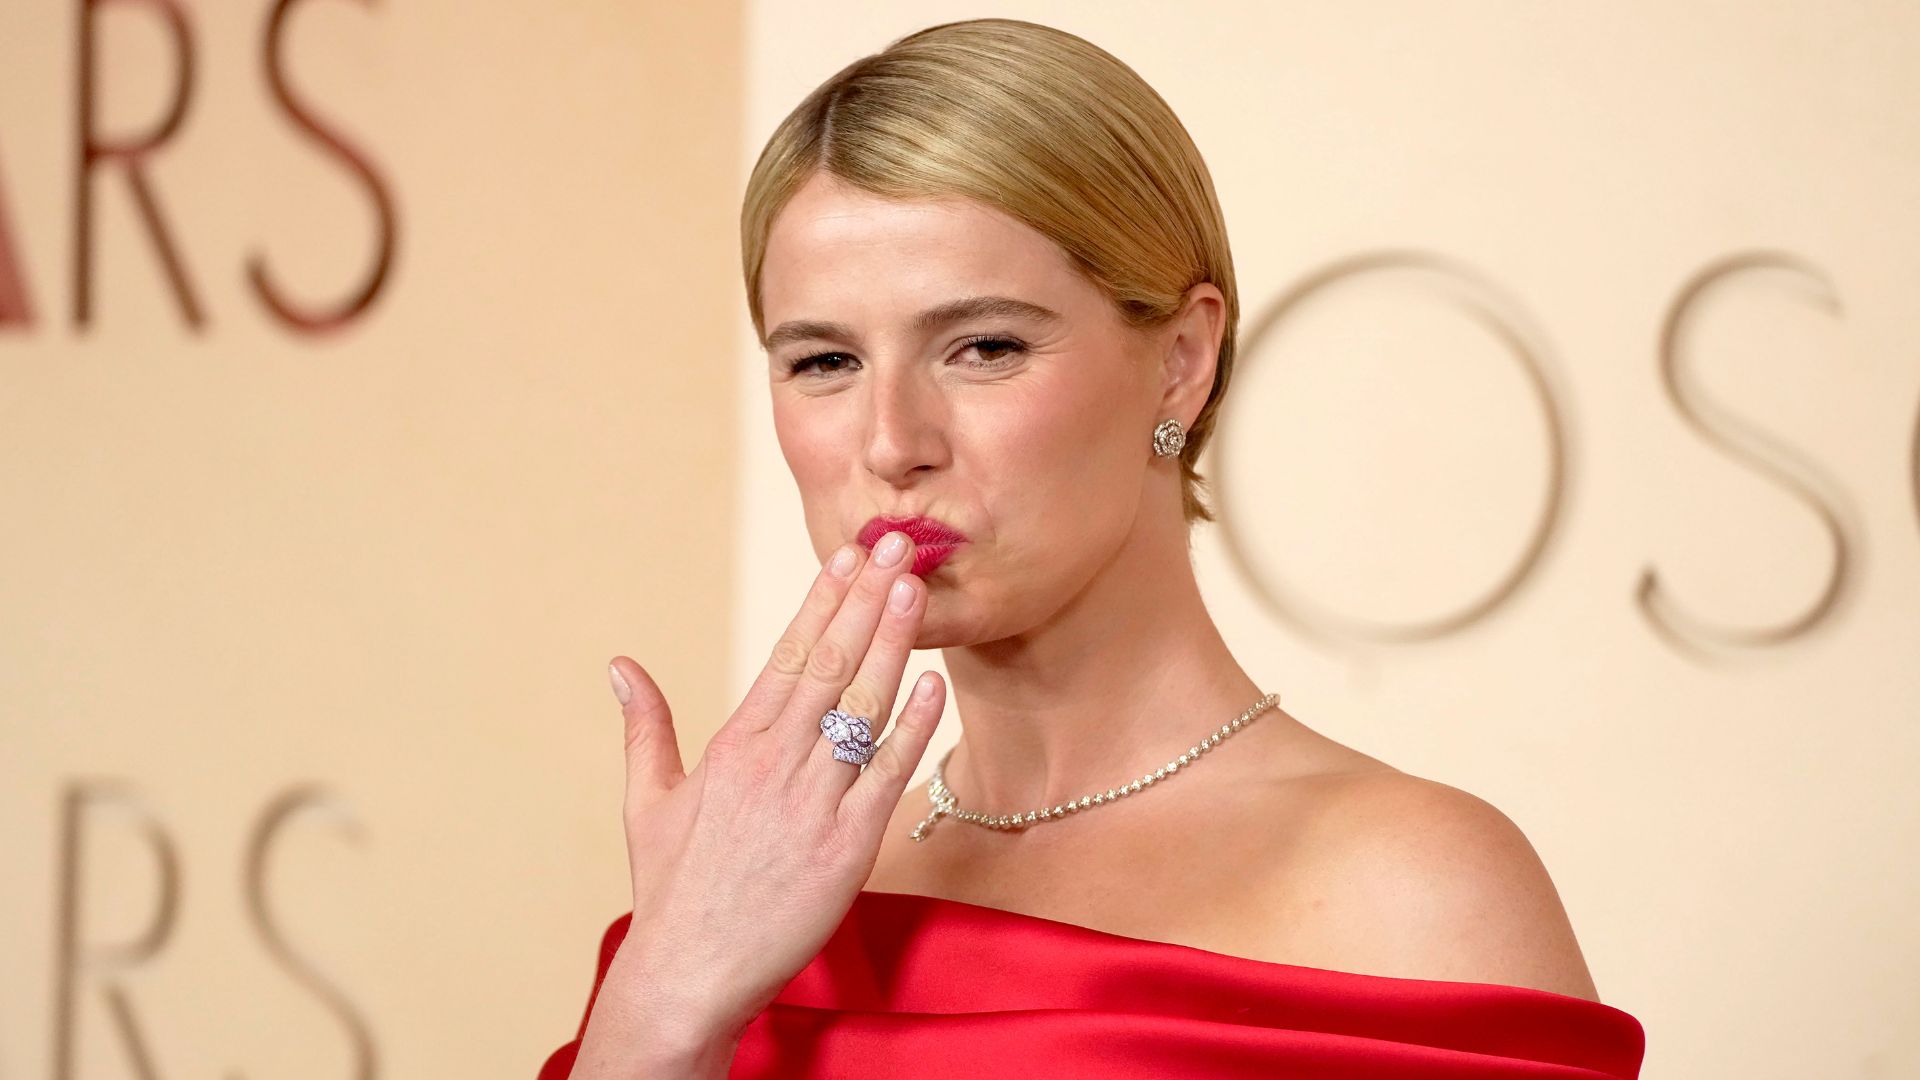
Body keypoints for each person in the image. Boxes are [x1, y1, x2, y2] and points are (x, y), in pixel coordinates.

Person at [539, 17, 1645, 1079]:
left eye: (982, 346)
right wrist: (665, 999)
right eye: (824, 362)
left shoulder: (1411, 888)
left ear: (1182, 359)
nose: (891, 443)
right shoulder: (737, 886)